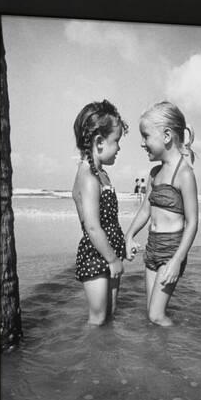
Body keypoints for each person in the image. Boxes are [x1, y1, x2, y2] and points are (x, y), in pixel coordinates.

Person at [125, 101, 198, 326]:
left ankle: (180, 349)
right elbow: (145, 210)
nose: (142, 143)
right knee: (151, 313)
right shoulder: (155, 173)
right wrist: (129, 236)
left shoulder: (184, 174)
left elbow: (193, 222)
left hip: (171, 250)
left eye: (146, 136)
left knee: (156, 315)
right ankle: (159, 355)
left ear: (166, 136)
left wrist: (177, 260)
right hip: (152, 247)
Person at [72, 99, 129, 325]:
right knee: (97, 318)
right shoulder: (87, 177)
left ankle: (107, 357)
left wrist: (122, 246)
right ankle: (90, 357)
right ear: (98, 142)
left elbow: (110, 221)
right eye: (116, 141)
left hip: (110, 250)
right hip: (97, 255)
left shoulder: (101, 174)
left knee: (110, 312)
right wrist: (112, 259)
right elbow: (93, 226)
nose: (119, 147)